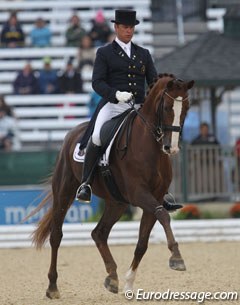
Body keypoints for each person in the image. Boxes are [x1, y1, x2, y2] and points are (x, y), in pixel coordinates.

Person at [76, 9, 158, 202]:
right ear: (116, 27)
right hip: (114, 105)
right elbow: (97, 82)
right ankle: (85, 183)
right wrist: (115, 94)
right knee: (96, 136)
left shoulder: (143, 54)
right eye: (125, 27)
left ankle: (162, 188)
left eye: (131, 28)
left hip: (138, 107)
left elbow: (153, 81)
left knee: (157, 138)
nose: (129, 31)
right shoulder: (104, 52)